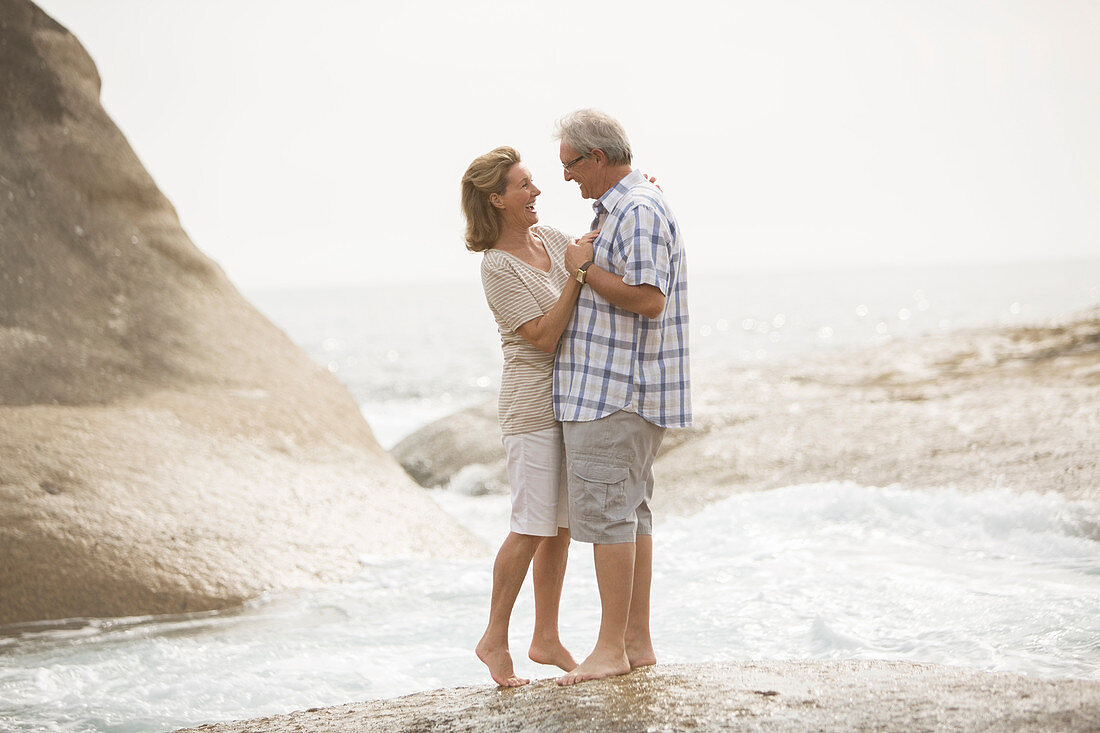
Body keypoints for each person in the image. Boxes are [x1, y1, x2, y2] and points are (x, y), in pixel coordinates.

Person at [551, 109, 692, 686]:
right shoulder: (629, 207)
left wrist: (582, 272)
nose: (565, 178)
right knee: (630, 515)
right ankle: (634, 643)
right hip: (620, 393)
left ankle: (610, 648)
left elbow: (649, 298)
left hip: (614, 393)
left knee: (611, 519)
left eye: (570, 166)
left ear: (597, 158)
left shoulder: (636, 210)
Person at [460, 146, 595, 687]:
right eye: (524, 186)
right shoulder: (497, 265)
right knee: (530, 525)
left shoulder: (550, 239)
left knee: (558, 527)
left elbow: (593, 251)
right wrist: (575, 280)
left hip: (568, 402)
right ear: (496, 199)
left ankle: (545, 637)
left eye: (533, 183)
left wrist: (643, 195)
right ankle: (494, 638)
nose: (536, 192)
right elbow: (540, 336)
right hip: (531, 407)